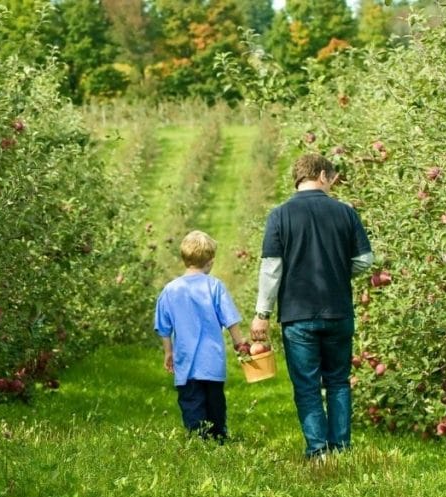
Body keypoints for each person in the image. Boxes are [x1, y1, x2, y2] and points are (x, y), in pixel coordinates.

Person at [250, 153, 373, 460]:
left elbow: (272, 268)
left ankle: (318, 453)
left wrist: (262, 313)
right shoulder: (345, 213)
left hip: (297, 314)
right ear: (321, 175)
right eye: (332, 179)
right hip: (338, 311)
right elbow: (364, 261)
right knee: (338, 382)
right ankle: (342, 449)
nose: (332, 185)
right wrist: (338, 271)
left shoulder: (279, 215)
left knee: (306, 386)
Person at [155, 230, 245, 442]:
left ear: (184, 258)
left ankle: (197, 441)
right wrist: (240, 343)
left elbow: (163, 326)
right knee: (215, 405)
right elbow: (230, 319)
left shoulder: (170, 290)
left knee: (191, 403)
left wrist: (168, 352)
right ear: (211, 261)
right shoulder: (215, 286)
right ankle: (219, 438)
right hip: (212, 362)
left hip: (185, 363)